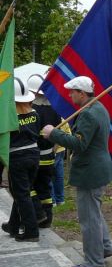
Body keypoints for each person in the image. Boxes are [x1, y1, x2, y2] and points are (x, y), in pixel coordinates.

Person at [42, 76, 112, 267]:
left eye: (72, 92)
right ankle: (105, 247)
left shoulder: (89, 114)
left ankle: (94, 260)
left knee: (89, 218)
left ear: (82, 93)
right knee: (95, 212)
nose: (69, 94)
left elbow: (79, 144)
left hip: (90, 171)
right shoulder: (98, 107)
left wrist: (53, 134)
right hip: (97, 168)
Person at [2, 79, 40, 242]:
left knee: (22, 195)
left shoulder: (8, 118)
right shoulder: (35, 113)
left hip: (18, 158)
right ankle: (13, 224)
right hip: (34, 155)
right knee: (21, 192)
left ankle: (31, 231)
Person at [27, 74, 61, 228]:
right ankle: (47, 219)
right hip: (49, 155)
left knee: (29, 187)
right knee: (45, 187)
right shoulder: (54, 108)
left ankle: (37, 215)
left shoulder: (32, 110)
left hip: (34, 155)